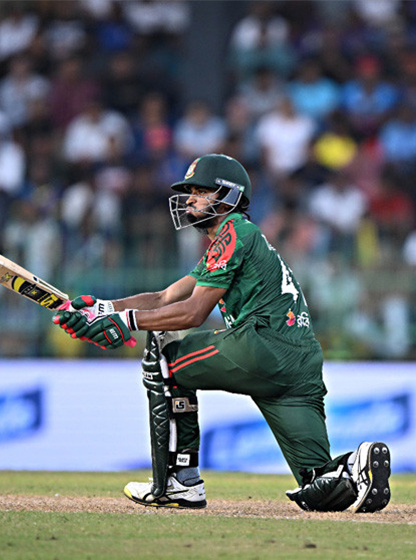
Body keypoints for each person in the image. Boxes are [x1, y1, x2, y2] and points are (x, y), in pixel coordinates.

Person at [53, 154, 391, 513]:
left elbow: (193, 313)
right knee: (318, 485)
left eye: (201, 191)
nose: (190, 199)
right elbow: (163, 297)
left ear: (228, 196)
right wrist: (104, 309)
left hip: (263, 345)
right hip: (300, 362)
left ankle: (177, 483)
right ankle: (356, 468)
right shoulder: (234, 239)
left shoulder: (234, 231)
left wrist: (128, 323)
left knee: (164, 357)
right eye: (190, 192)